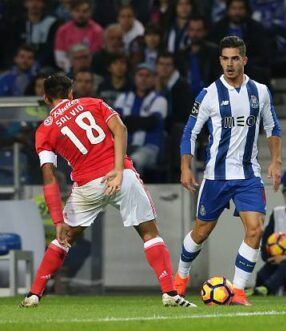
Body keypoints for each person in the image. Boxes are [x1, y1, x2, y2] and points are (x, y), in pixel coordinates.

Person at [20, 74, 195, 308]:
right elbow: (120, 129)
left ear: (46, 98)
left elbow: (49, 176)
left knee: (64, 238)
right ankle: (170, 293)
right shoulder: (93, 103)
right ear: (70, 94)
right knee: (150, 233)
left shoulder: (44, 131)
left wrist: (57, 219)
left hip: (86, 187)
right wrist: (118, 169)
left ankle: (34, 294)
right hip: (120, 176)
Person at [175, 36, 282, 306]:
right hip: (216, 177)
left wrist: (276, 161)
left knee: (255, 230)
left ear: (244, 60)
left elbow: (273, 128)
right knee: (200, 233)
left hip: (248, 176)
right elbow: (190, 132)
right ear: (220, 60)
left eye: (235, 58)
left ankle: (238, 290)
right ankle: (180, 279)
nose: (230, 64)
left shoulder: (260, 92)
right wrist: (185, 167)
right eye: (225, 58)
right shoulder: (209, 94)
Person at [114, 63, 168, 175]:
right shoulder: (123, 98)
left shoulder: (160, 100)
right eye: (140, 75)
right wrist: (140, 121)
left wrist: (127, 120)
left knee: (134, 161)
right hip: (124, 147)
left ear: (153, 79)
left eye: (147, 76)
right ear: (135, 78)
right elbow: (114, 124)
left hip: (148, 147)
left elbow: (151, 123)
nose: (143, 79)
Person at [155, 51, 194, 182]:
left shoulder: (182, 86)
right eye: (161, 64)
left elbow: (184, 115)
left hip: (177, 127)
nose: (164, 68)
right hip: (161, 127)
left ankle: (176, 175)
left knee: (177, 130)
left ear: (174, 67)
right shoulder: (153, 84)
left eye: (168, 65)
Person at [175, 15, 221, 98]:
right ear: (188, 31)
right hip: (186, 100)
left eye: (198, 30)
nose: (194, 34)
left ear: (204, 31)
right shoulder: (181, 55)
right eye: (192, 30)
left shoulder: (214, 52)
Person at [54, 0, 104, 71]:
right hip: (67, 69)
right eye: (77, 11)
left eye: (85, 11)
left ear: (91, 13)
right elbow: (60, 56)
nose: (81, 14)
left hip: (90, 69)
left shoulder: (98, 30)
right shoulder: (62, 30)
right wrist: (71, 67)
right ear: (71, 12)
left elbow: (95, 55)